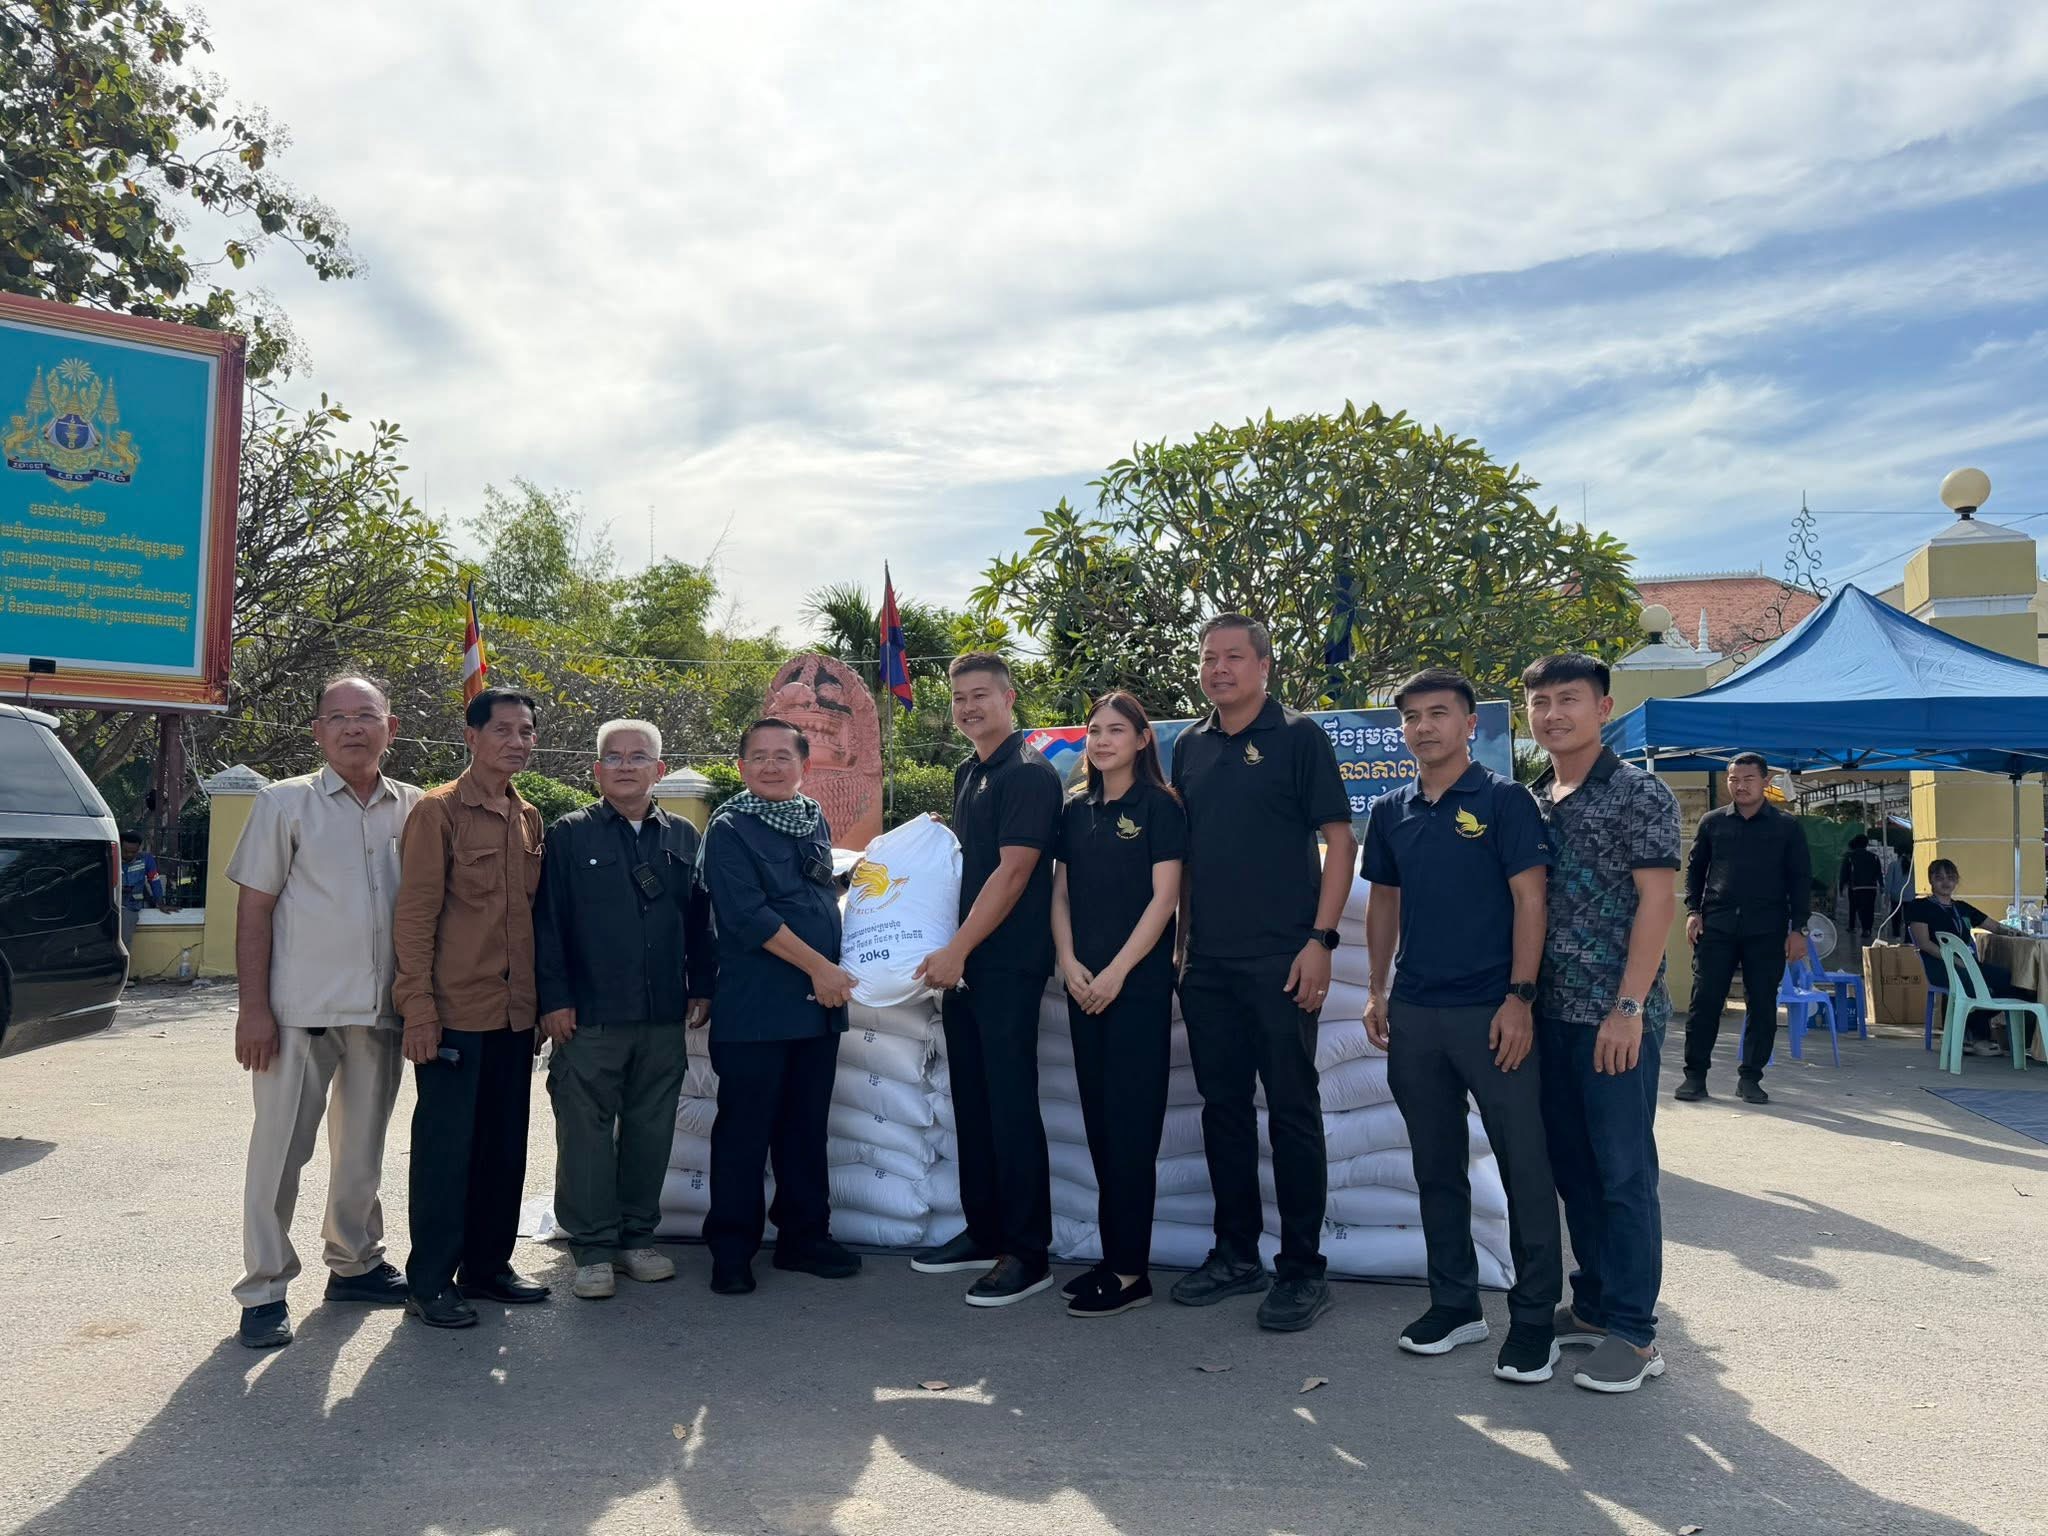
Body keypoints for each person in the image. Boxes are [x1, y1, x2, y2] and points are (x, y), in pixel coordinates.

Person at [1362, 666, 1563, 1382]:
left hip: (1492, 1010)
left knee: (1523, 1164)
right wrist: (1378, 989)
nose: (1423, 727)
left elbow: (1531, 901)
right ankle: (1454, 1304)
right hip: (1417, 1012)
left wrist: (1520, 998)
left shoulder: (1505, 801)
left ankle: (1534, 1319)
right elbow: (1383, 903)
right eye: (1411, 716)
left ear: (1470, 724)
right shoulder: (1391, 810)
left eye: (1438, 713)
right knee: (1434, 1164)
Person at [225, 675, 422, 1349]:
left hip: (381, 1012)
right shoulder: (284, 803)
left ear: (391, 728)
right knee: (279, 1155)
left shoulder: (414, 809)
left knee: (362, 1152)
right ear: (317, 732)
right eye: (336, 717)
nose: (352, 728)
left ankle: (355, 1263)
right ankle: (264, 1289)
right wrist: (253, 1010)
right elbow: (253, 911)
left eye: (365, 715)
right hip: (296, 1015)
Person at [1172, 615, 1355, 1333]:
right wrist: (1183, 946)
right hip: (1209, 963)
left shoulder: (1300, 738)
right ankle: (1236, 1255)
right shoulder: (1188, 746)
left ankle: (1304, 1269)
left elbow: (1339, 843)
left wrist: (1321, 940)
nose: (1219, 669)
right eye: (1208, 657)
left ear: (1264, 666)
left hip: (1283, 959)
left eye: (1233, 657)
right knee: (1221, 1109)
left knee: (1291, 1110)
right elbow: (1185, 859)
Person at [1522, 653, 1679, 1395]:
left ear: (1603, 708)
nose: (1553, 714)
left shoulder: (1639, 793)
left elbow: (1658, 901)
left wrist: (1628, 1007)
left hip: (1614, 1018)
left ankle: (1636, 1333)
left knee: (1623, 1172)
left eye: (1569, 700)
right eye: (1541, 702)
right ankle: (1592, 1303)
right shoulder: (1534, 799)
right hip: (1548, 1013)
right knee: (1573, 1169)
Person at [535, 719, 715, 1302]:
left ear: (659, 770)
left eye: (639, 757)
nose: (626, 766)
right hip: (589, 1015)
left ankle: (638, 1237)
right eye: (613, 757)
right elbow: (548, 923)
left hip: (661, 1014)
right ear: (597, 770)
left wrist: (701, 985)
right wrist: (554, 1000)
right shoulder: (570, 834)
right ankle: (592, 1248)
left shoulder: (683, 836)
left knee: (651, 1129)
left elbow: (700, 920)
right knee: (584, 1132)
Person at [907, 653, 1063, 1307]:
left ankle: (1027, 1252)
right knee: (971, 1100)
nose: (968, 708)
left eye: (980, 695)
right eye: (959, 698)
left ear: (1009, 698)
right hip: (966, 964)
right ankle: (985, 1230)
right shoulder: (968, 771)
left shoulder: (1028, 772)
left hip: (1005, 963)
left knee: (1009, 1104)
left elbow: (1015, 872)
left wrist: (959, 950)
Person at [393, 687, 550, 1328]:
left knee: (504, 1148)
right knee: (445, 1153)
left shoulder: (528, 816)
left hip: (514, 1015)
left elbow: (533, 919)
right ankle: (430, 1281)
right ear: (472, 737)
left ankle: (487, 1268)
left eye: (527, 731)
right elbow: (414, 918)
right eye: (503, 730)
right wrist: (418, 1010)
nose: (517, 742)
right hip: (454, 1013)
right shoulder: (438, 813)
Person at [700, 718, 864, 1295]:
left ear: (805, 766)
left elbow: (816, 888)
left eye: (783, 756)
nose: (771, 766)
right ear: (741, 766)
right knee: (744, 1133)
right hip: (756, 1010)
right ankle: (731, 1251)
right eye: (759, 757)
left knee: (805, 1129)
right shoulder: (729, 828)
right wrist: (820, 967)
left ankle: (803, 1238)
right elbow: (747, 916)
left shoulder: (810, 818)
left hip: (815, 1008)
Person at [1049, 692, 1186, 1318]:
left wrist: (1117, 973)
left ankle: (1132, 1272)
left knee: (1132, 1128)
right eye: (1094, 731)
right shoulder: (1075, 810)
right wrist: (1068, 960)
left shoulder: (1160, 807)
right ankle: (1114, 1259)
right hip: (1084, 987)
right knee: (1100, 1126)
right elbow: (1060, 893)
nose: (1102, 741)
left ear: (1141, 740)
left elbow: (1164, 899)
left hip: (1135, 990)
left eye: (1116, 731)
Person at [1678, 753, 1811, 1106]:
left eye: (1748, 779)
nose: (1740, 786)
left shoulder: (1786, 827)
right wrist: (1693, 911)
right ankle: (1695, 1076)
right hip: (1717, 925)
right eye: (1733, 779)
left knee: (1762, 1005)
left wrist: (1799, 928)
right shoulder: (1712, 823)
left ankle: (1750, 1077)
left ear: (1765, 781)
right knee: (1705, 1001)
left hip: (1766, 928)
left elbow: (1800, 879)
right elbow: (1695, 870)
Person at [1903, 858, 2034, 1058]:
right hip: (1940, 965)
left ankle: (1970, 1033)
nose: (1945, 882)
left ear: (1956, 880)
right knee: (1977, 987)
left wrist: (2017, 933)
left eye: (1950, 877)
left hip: (1968, 964)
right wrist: (1953, 960)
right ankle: (1979, 1038)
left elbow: (1994, 926)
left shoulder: (1962, 908)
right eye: (1939, 878)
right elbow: (1924, 943)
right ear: (1930, 880)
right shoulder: (1919, 907)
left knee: (2009, 980)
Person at [119, 828, 166, 964]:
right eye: (125, 851)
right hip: (110, 904)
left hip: (130, 906)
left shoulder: (146, 859)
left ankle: (123, 973)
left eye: (133, 852)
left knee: (124, 941)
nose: (129, 855)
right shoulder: (110, 857)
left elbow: (154, 880)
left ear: (139, 849)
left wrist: (160, 902)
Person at [1841, 833, 1882, 947]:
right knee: (1869, 908)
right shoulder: (1874, 857)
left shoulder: (1850, 856)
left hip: (1856, 887)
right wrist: (1882, 886)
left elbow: (1844, 873)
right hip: (1871, 887)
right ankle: (1868, 928)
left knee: (1857, 908)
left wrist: (1841, 887)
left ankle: (1859, 927)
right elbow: (1878, 873)